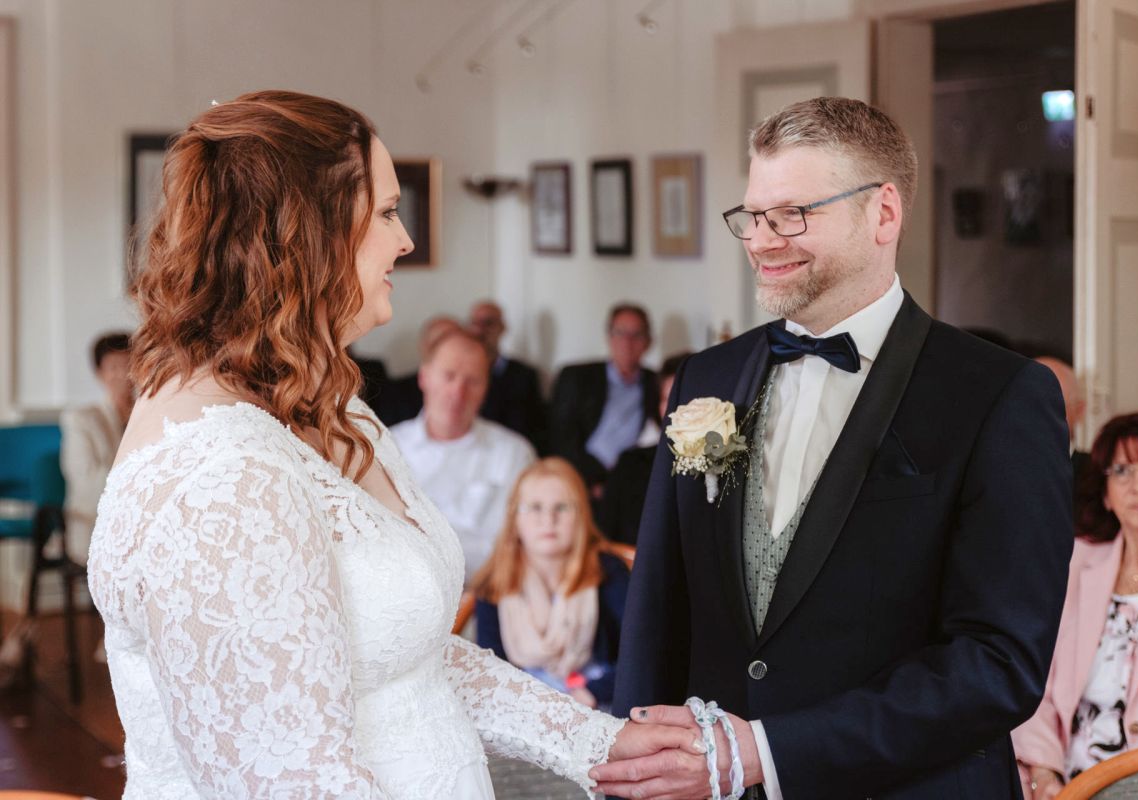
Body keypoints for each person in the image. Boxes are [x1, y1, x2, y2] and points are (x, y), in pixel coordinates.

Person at [86, 90, 693, 799]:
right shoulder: (218, 480)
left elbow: (414, 661)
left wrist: (602, 742)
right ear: (304, 234)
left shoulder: (336, 405)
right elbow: (295, 784)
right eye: (384, 213)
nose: (405, 240)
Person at [596, 97, 1074, 799]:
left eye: (794, 215)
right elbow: (657, 611)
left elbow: (997, 665)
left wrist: (771, 751)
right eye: (754, 217)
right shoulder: (708, 377)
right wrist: (634, 773)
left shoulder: (999, 396)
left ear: (884, 213)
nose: (762, 240)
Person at [1013, 412, 1138, 798]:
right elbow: (1032, 676)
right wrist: (1046, 775)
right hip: (1055, 781)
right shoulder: (1076, 562)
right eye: (1121, 471)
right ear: (1104, 493)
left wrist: (1113, 784)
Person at [473, 457, 629, 711]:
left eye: (562, 508)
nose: (548, 520)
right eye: (534, 507)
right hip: (522, 707)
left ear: (581, 515)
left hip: (594, 704)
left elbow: (638, 655)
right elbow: (490, 669)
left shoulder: (607, 570)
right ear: (514, 518)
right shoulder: (495, 579)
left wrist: (592, 692)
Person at [390, 329, 535, 582]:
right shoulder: (385, 446)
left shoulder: (514, 454)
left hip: (486, 599)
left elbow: (527, 544)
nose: (458, 392)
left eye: (473, 380)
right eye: (449, 376)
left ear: (486, 387)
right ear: (424, 377)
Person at [549, 304, 659, 493]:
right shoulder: (576, 377)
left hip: (629, 484)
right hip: (579, 479)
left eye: (636, 335)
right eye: (620, 332)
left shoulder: (655, 383)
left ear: (648, 342)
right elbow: (560, 436)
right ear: (608, 337)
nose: (627, 342)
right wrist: (589, 483)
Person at [597, 352, 690, 545]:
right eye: (667, 399)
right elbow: (604, 539)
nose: (675, 409)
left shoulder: (724, 465)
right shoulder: (629, 463)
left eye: (684, 398)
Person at [60, 331, 134, 565]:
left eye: (129, 365)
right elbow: (87, 480)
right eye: (114, 367)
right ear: (99, 373)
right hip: (97, 521)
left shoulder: (152, 415)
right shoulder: (81, 419)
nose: (123, 374)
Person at [467, 299, 547, 447]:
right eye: (475, 323)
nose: (480, 330)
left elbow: (537, 428)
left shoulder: (525, 375)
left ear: (502, 327)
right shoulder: (461, 375)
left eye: (488, 323)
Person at [378, 314, 461, 426]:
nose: (444, 351)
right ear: (423, 346)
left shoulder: (484, 390)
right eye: (437, 343)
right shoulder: (395, 394)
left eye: (452, 344)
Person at [1034, 355, 1089, 485]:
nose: (1038, 415)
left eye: (1052, 406)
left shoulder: (1097, 473)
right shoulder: (997, 469)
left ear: (1079, 410)